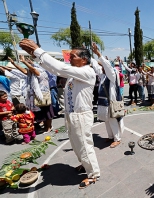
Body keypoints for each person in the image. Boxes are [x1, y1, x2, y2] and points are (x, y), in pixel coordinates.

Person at [19, 39, 100, 189]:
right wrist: (37, 57)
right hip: (71, 115)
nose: (70, 58)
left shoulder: (87, 71)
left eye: (73, 56)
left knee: (84, 145)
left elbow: (60, 67)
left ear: (84, 59)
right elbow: (55, 70)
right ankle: (84, 164)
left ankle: (93, 174)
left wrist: (38, 50)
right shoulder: (75, 72)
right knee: (77, 145)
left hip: (81, 115)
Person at [8, 56, 54, 133]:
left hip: (43, 96)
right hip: (36, 97)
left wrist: (24, 62)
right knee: (41, 112)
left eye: (31, 69)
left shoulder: (41, 73)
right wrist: (14, 64)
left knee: (47, 112)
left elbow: (33, 69)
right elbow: (23, 71)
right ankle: (45, 126)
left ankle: (49, 127)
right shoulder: (32, 75)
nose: (28, 71)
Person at [92, 43, 124, 148]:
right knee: (106, 120)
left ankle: (117, 139)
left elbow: (107, 66)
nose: (101, 67)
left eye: (103, 65)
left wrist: (98, 54)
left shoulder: (112, 74)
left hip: (111, 102)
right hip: (104, 103)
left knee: (112, 120)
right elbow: (96, 66)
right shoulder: (103, 75)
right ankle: (110, 136)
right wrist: (88, 55)